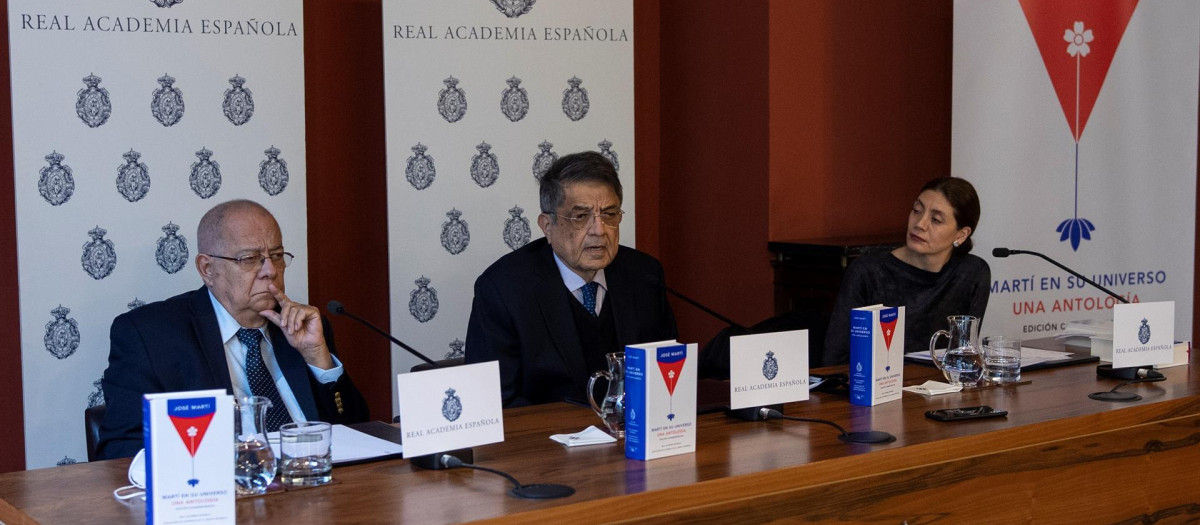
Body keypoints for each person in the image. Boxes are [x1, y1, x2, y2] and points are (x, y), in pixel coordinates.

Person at [97, 199, 368, 459]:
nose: (270, 270)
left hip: (315, 487)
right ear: (207, 269)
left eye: (276, 256)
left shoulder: (303, 328)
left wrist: (318, 358)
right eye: (250, 259)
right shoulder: (150, 337)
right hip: (220, 495)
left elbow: (358, 433)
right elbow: (121, 451)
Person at [465, 151, 677, 407]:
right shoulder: (504, 290)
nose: (599, 230)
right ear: (547, 226)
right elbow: (495, 402)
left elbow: (666, 375)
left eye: (609, 215)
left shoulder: (644, 275)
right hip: (547, 441)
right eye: (580, 217)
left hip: (630, 436)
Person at [822, 177, 991, 366]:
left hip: (942, 389)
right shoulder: (868, 272)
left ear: (961, 234)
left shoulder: (972, 273)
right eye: (917, 211)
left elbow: (964, 357)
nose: (920, 223)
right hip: (877, 389)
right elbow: (835, 360)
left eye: (935, 220)